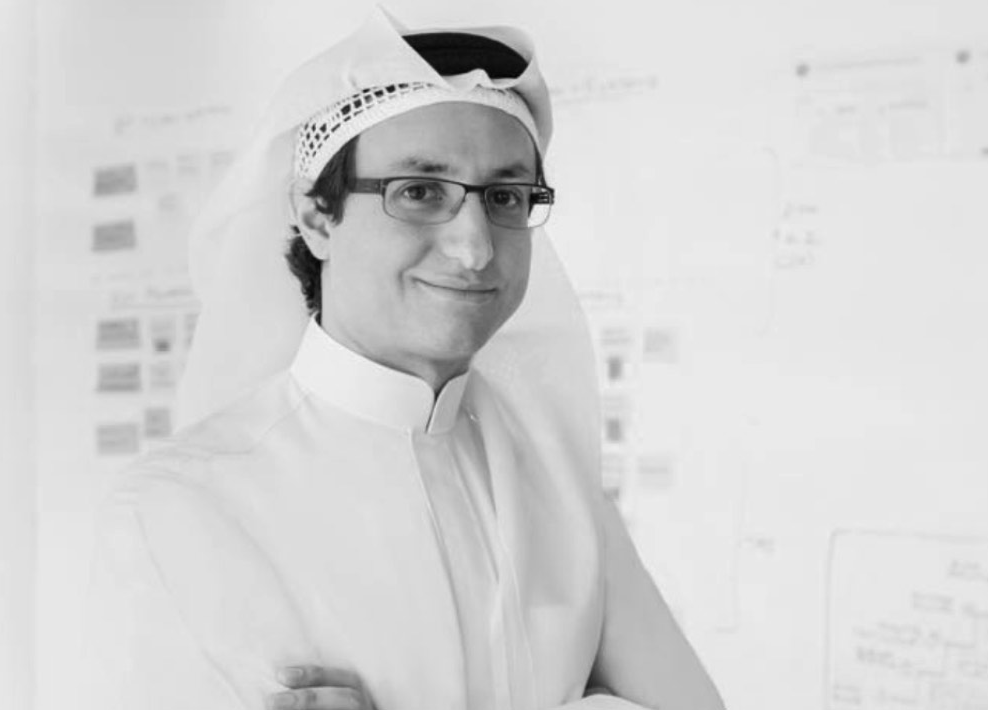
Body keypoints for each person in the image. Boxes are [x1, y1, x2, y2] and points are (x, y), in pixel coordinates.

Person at [85, 9, 726, 710]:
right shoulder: (179, 510)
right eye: (419, 192)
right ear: (317, 217)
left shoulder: (560, 487)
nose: (474, 247)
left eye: (505, 197)